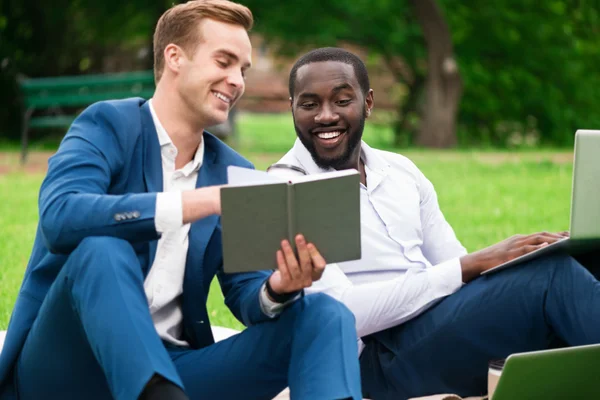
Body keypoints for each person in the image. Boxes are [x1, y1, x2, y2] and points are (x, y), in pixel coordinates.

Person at [0, 5, 363, 400]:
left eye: (243, 69)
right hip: (65, 367)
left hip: (173, 370)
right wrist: (195, 202)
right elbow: (61, 217)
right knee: (101, 249)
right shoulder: (106, 125)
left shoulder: (231, 169)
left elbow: (245, 294)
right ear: (175, 57)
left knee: (325, 314)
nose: (236, 81)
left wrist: (278, 287)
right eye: (224, 62)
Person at [277, 47, 600, 399]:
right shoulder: (286, 189)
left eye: (341, 101)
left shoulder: (400, 170)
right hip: (372, 358)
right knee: (553, 277)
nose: (326, 116)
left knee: (580, 260)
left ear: (368, 102)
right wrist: (472, 265)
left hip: (431, 330)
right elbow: (342, 313)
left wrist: (513, 265)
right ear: (291, 106)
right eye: (309, 105)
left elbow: (452, 264)